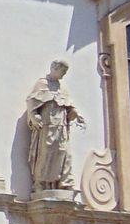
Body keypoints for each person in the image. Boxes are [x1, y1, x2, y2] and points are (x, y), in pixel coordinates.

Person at [24, 60, 85, 195]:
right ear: (54, 68)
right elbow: (31, 102)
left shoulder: (61, 88)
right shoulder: (42, 84)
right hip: (47, 125)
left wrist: (75, 114)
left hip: (61, 126)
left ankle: (65, 183)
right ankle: (40, 183)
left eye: (65, 72)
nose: (63, 74)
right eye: (62, 71)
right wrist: (33, 116)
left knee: (65, 153)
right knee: (46, 154)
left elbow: (68, 106)